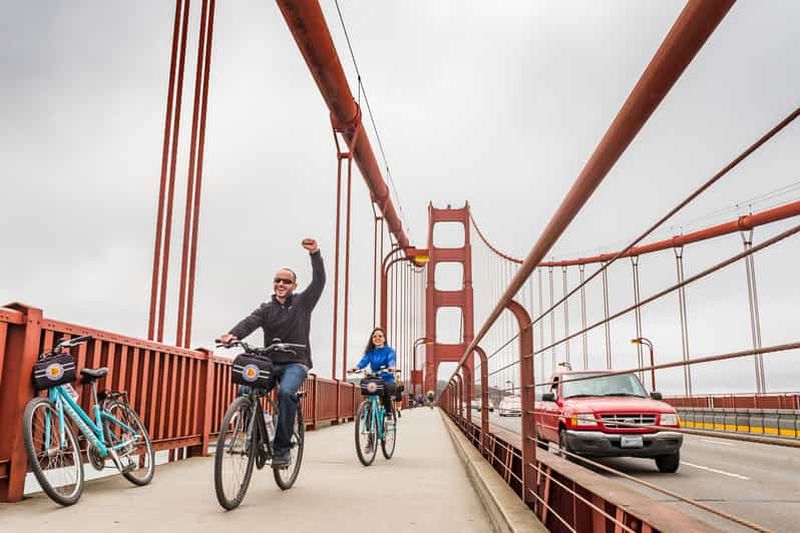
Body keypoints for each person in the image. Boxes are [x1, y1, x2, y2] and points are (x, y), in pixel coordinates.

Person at [218, 238, 325, 468]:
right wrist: (232, 335)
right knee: (245, 388)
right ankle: (253, 435)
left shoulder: (303, 303)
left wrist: (315, 254)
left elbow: (319, 281)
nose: (281, 284)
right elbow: (250, 322)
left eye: (286, 281)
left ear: (294, 286)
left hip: (296, 363)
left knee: (286, 393)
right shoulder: (266, 308)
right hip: (270, 363)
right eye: (277, 280)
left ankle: (282, 449)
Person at [349, 327, 397, 417]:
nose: (377, 338)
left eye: (380, 336)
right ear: (372, 339)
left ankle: (388, 412)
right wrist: (356, 368)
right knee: (366, 385)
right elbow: (364, 361)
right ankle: (369, 408)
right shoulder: (370, 352)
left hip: (387, 380)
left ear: (384, 339)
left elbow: (391, 360)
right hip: (375, 379)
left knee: (385, 388)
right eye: (374, 336)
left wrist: (391, 367)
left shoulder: (390, 351)